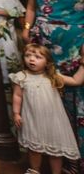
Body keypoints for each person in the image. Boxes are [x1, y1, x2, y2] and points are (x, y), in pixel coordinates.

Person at [22, 0, 84, 171]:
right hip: (42, 48)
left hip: (73, 48)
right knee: (44, 98)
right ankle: (44, 152)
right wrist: (26, 33)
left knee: (71, 100)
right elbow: (30, 7)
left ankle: (73, 159)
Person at [11, 43, 83, 174]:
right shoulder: (22, 76)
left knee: (55, 151)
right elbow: (17, 96)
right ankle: (34, 171)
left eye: (38, 57)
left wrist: (83, 64)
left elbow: (75, 80)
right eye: (28, 56)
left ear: (47, 62)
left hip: (53, 121)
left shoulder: (53, 76)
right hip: (32, 119)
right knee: (34, 150)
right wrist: (16, 113)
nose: (31, 59)